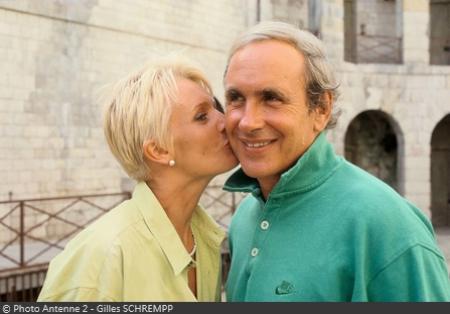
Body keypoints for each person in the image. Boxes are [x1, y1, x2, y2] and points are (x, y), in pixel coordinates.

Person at [223, 21, 450, 302]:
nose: (248, 122)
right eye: (235, 98)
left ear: (321, 108)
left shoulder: (387, 226)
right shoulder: (244, 218)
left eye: (272, 98)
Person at [37, 57, 238, 301]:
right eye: (202, 116)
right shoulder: (102, 259)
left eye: (216, 108)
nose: (226, 120)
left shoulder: (205, 238)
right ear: (159, 151)